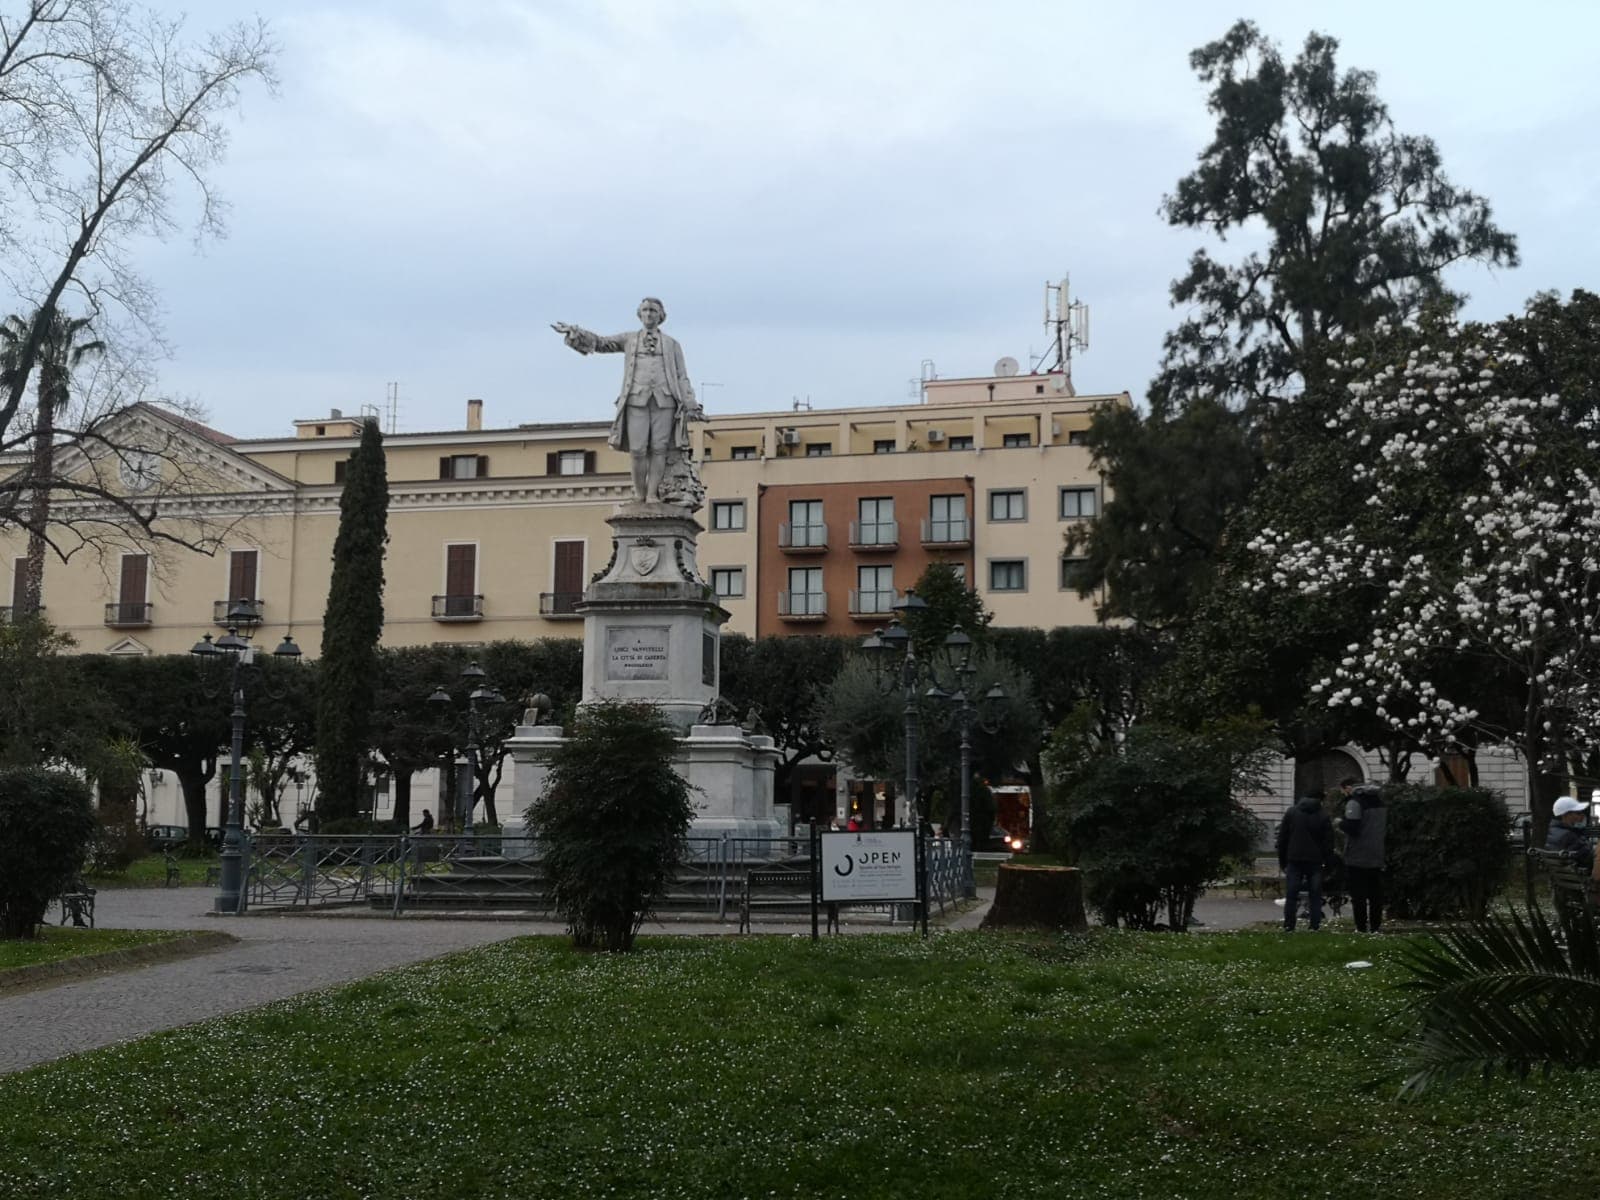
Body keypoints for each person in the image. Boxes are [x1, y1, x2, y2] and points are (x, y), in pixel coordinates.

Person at [553, 297, 703, 506]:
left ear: (661, 316)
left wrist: (690, 403)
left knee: (659, 449)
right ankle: (639, 494)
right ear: (639, 314)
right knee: (638, 449)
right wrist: (576, 332)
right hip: (636, 399)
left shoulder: (672, 345)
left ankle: (652, 494)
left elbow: (681, 376)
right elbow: (602, 343)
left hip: (665, 400)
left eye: (653, 310)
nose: (649, 314)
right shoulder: (629, 339)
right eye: (645, 310)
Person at [1277, 792, 1333, 932]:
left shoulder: (1292, 812)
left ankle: (1289, 925)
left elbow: (1283, 838)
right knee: (1315, 895)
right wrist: (1328, 862)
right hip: (1315, 860)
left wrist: (1282, 861)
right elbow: (1328, 843)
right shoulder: (1323, 815)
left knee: (1291, 894)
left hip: (1294, 858)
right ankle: (1314, 925)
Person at [1340, 783, 1387, 933]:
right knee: (1375, 896)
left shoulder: (1355, 802)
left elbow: (1352, 828)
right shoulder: (1380, 803)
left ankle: (1361, 927)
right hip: (1377, 854)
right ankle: (1375, 927)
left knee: (1358, 895)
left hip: (1357, 855)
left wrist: (1340, 823)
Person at [1546, 796, 1593, 869]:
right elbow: (1587, 857)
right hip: (1580, 876)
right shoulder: (1569, 836)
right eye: (1578, 813)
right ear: (1566, 815)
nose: (1582, 816)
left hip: (1562, 875)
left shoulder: (1551, 831)